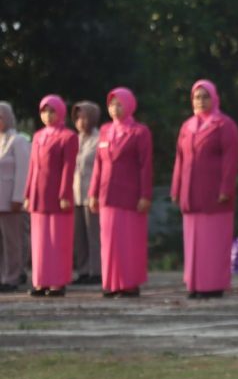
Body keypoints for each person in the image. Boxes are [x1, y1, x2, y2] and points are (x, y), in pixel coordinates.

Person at [171, 80, 238, 299]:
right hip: (191, 193)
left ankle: (213, 285)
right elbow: (180, 160)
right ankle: (195, 284)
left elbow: (231, 160)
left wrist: (225, 189)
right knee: (193, 242)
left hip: (214, 194)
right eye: (197, 97)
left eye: (205, 96)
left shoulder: (224, 124)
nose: (200, 101)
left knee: (213, 241)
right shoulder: (187, 126)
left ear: (214, 98)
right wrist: (176, 188)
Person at [88, 87, 153, 298]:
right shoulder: (105, 130)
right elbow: (98, 164)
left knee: (128, 240)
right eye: (111, 104)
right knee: (109, 241)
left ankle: (129, 283)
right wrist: (93, 193)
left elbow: (145, 166)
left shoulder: (139, 132)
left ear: (130, 105)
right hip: (107, 194)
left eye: (119, 104)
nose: (114, 108)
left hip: (130, 195)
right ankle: (112, 283)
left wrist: (145, 195)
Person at [25, 95, 79, 296]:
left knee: (58, 239)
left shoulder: (68, 136)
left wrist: (65, 193)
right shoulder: (38, 136)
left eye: (52, 111)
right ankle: (41, 281)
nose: (48, 115)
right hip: (39, 194)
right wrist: (28, 193)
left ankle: (57, 282)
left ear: (61, 112)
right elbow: (32, 166)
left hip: (57, 195)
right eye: (44, 111)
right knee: (39, 241)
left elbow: (68, 167)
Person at [0, 102, 30, 293]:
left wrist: (19, 197)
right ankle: (3, 275)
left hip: (11, 201)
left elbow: (23, 171)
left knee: (13, 241)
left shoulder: (18, 140)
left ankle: (13, 276)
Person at [71, 101, 102, 285]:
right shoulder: (74, 140)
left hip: (92, 193)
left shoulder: (99, 139)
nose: (81, 122)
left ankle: (96, 271)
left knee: (93, 234)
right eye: (77, 118)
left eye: (84, 117)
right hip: (75, 193)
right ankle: (82, 271)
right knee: (79, 236)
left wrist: (96, 193)